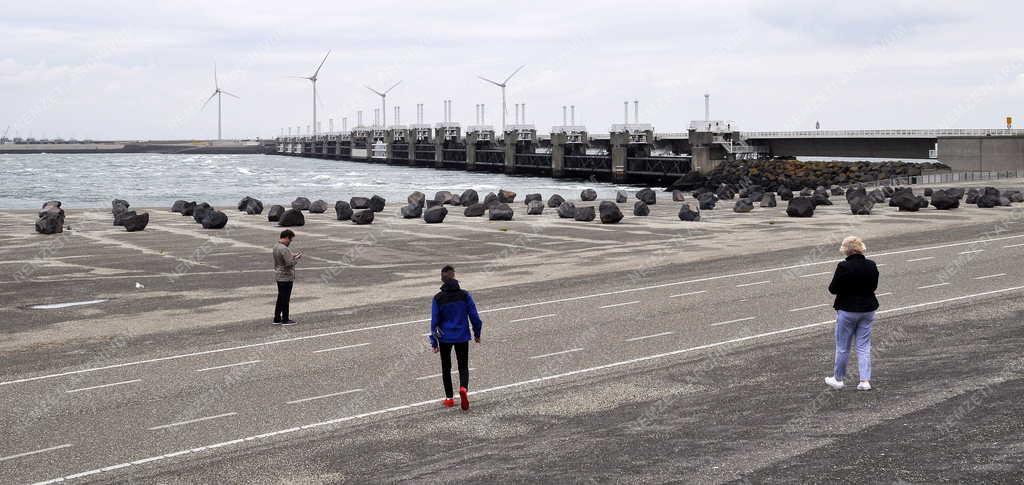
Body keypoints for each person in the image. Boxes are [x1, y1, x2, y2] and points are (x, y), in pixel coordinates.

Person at [825, 236, 879, 391]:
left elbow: (833, 289)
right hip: (868, 309)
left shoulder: (843, 267)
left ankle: (838, 379)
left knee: (843, 347)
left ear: (846, 250)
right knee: (863, 346)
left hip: (848, 309)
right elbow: (874, 286)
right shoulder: (871, 265)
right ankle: (864, 381)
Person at [429, 265, 482, 410]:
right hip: (462, 336)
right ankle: (464, 388)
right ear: (454, 276)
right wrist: (477, 333)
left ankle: (449, 398)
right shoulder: (465, 295)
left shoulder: (438, 298)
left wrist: (434, 341)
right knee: (463, 366)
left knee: (446, 368)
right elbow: (474, 316)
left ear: (442, 279)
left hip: (444, 337)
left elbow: (435, 321)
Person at [273, 229, 302, 325]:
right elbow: (289, 263)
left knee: (280, 298)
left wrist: (292, 255)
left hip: (279, 275)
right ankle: (285, 319)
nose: (290, 242)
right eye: (290, 240)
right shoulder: (284, 249)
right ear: (286, 237)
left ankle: (277, 318)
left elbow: (283, 258)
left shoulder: (276, 246)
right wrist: (296, 259)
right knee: (285, 298)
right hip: (286, 277)